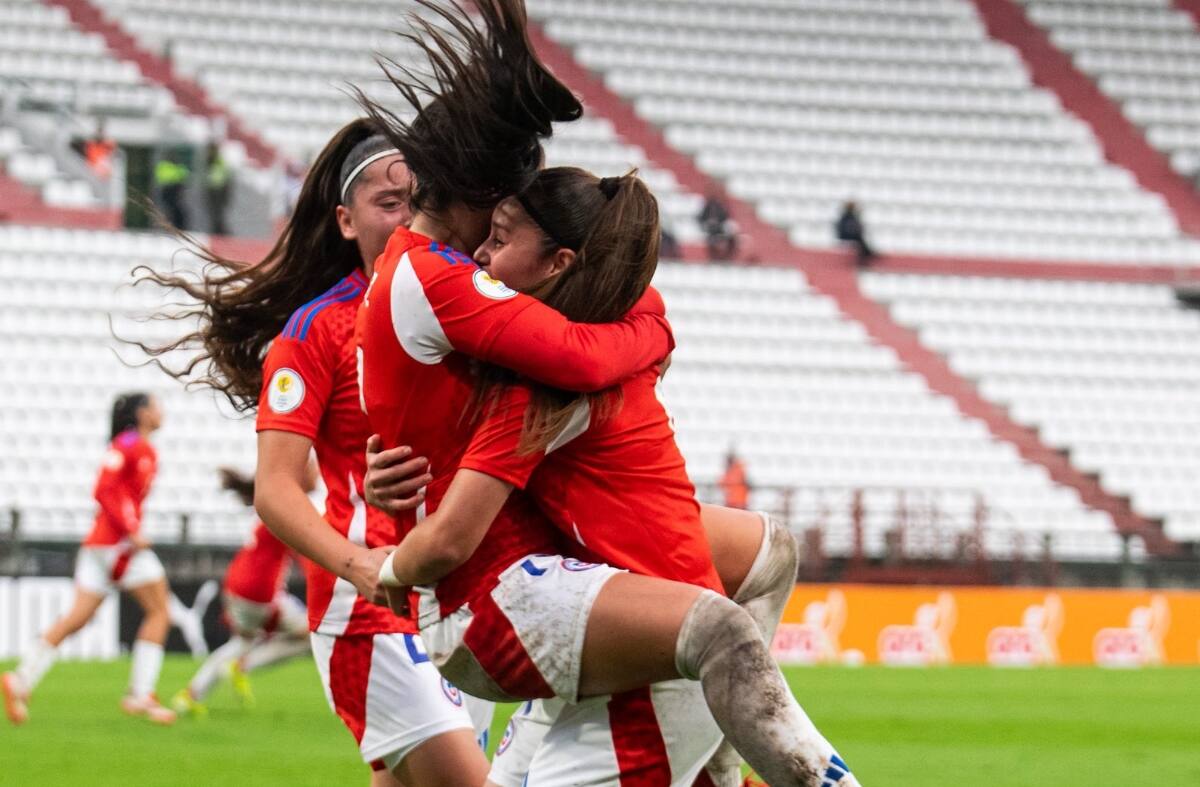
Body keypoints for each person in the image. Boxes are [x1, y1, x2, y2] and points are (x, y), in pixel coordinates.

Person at [354, 4, 856, 783]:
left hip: (525, 568)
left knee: (766, 552)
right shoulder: (434, 277)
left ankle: (723, 766)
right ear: (487, 189)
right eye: (508, 202)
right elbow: (580, 355)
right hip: (489, 590)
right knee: (717, 627)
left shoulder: (421, 278)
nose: (499, 234)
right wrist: (653, 327)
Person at [136, 117, 493, 787]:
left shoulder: (467, 307)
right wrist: (359, 565)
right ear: (346, 221)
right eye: (388, 204)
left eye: (418, 201)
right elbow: (276, 490)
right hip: (368, 606)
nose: (408, 217)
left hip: (458, 598)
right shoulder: (315, 329)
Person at [3, 393, 177, 726]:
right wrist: (132, 530)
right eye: (156, 406)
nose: (161, 412)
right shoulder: (130, 446)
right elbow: (105, 489)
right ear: (142, 414)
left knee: (77, 617)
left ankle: (21, 679)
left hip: (99, 544)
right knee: (160, 611)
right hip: (118, 545)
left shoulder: (132, 446)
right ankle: (140, 694)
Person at [172, 467, 312, 717]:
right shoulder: (291, 505)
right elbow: (308, 555)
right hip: (259, 592)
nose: (317, 474)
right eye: (312, 468)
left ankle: (191, 695)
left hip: (236, 586)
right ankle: (244, 665)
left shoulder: (274, 500)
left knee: (242, 641)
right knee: (311, 633)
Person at [155, 149, 190, 230]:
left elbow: (184, 175)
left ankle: (176, 227)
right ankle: (171, 227)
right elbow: (165, 177)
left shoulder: (176, 166)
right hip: (169, 190)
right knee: (170, 210)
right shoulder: (165, 166)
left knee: (176, 210)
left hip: (174, 190)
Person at [698, 188, 736, 260]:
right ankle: (714, 256)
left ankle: (727, 256)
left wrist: (718, 223)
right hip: (709, 228)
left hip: (719, 227)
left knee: (731, 234)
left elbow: (725, 217)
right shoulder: (706, 207)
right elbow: (701, 218)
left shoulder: (720, 207)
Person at [835, 201, 875, 268]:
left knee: (860, 241)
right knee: (860, 241)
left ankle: (867, 256)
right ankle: (866, 257)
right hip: (846, 237)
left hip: (849, 236)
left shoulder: (849, 217)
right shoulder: (847, 218)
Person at [205, 142, 232, 236]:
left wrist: (226, 191)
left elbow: (226, 177)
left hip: (219, 190)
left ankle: (220, 231)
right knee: (213, 212)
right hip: (212, 189)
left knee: (217, 212)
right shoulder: (208, 161)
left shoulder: (218, 161)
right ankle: (217, 230)